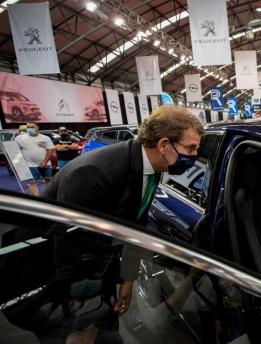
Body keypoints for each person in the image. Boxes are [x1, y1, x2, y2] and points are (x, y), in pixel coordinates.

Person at [43, 106, 205, 316]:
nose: (195, 155)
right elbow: (71, 248)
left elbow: (135, 227)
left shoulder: (149, 166)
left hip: (99, 268)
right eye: (191, 148)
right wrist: (84, 316)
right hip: (63, 289)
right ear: (164, 145)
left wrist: (128, 278)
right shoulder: (94, 174)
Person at [15, 122, 54, 195]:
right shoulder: (19, 138)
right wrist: (19, 164)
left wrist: (45, 162)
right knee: (32, 182)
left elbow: (50, 149)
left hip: (46, 164)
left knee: (48, 180)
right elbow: (15, 150)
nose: (30, 129)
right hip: (30, 165)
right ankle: (37, 200)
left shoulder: (45, 138)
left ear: (37, 128)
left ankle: (49, 197)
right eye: (28, 127)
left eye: (32, 127)